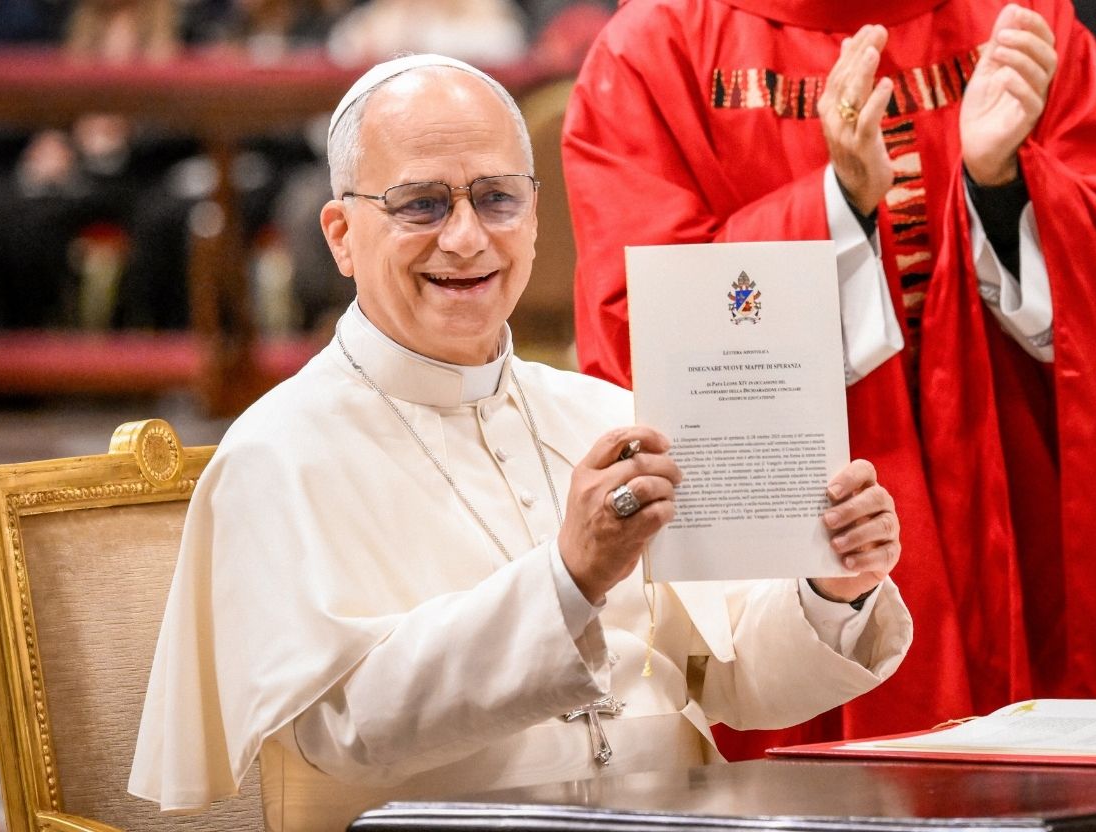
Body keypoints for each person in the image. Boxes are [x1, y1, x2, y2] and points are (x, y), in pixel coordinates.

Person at [130, 55, 914, 832]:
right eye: (421, 205)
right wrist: (566, 580)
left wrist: (832, 588)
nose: (466, 238)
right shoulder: (277, 454)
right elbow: (339, 730)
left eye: (496, 198)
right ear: (340, 234)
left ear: (534, 217)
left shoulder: (606, 413)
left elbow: (732, 676)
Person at [564, 0, 1096, 758]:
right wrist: (838, 204)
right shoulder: (660, 47)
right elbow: (641, 319)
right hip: (798, 503)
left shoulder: (1016, 22)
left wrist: (1002, 186)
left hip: (1008, 482)